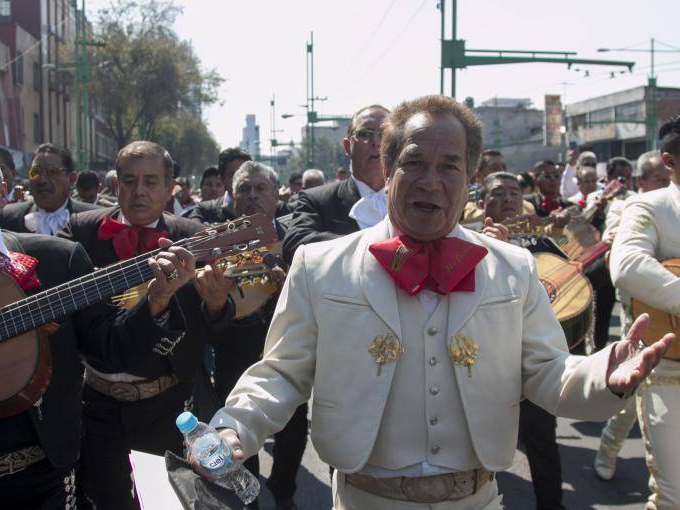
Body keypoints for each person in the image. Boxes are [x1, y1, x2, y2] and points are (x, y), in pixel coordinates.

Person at [206, 95, 671, 510]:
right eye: (414, 163)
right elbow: (282, 373)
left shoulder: (512, 267)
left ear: (470, 178)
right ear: (387, 172)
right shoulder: (320, 265)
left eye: (449, 166)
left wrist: (602, 373)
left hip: (479, 499)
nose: (431, 181)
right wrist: (236, 426)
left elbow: (548, 371)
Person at [0, 133, 196, 509]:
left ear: (2, 192)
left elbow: (112, 348)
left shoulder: (57, 260)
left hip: (37, 483)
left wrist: (157, 301)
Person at [57, 141, 233, 509]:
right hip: (96, 403)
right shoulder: (80, 232)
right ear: (114, 185)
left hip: (168, 405)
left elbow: (216, 327)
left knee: (164, 501)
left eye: (151, 182)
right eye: (129, 181)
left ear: (170, 188)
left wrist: (217, 303)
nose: (139, 192)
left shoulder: (195, 236)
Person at [210, 161, 306, 510]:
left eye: (260, 189)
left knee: (293, 432)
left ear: (277, 195)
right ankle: (247, 499)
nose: (251, 196)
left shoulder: (297, 240)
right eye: (243, 190)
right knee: (235, 431)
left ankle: (284, 493)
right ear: (232, 197)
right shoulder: (214, 242)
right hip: (234, 353)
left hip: (287, 353)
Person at [479, 172, 568, 510]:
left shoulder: (542, 242)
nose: (507, 199)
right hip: (485, 364)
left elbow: (570, 284)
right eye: (497, 193)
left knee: (543, 440)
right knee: (482, 442)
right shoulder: (469, 243)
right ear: (482, 202)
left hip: (532, 362)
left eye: (514, 192)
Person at [610, 116, 680, 509]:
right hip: (669, 369)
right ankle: (606, 452)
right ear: (669, 161)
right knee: (673, 496)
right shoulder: (648, 206)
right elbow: (628, 265)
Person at [593, 149, 671, 482]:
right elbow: (620, 257)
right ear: (641, 181)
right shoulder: (625, 208)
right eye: (661, 180)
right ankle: (608, 449)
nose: (670, 185)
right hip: (639, 319)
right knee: (631, 397)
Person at [282, 104, 390, 263]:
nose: (376, 142)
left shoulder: (411, 199)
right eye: (364, 134)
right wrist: (365, 246)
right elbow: (294, 245)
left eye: (385, 134)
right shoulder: (318, 200)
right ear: (348, 147)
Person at [0, 143, 100, 235]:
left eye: (52, 172)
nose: (42, 180)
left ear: (71, 179)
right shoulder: (7, 218)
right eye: (35, 172)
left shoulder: (94, 219)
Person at [184, 147, 251, 225]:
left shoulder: (263, 207)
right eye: (232, 175)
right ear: (222, 179)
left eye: (244, 173)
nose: (240, 180)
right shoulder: (204, 211)